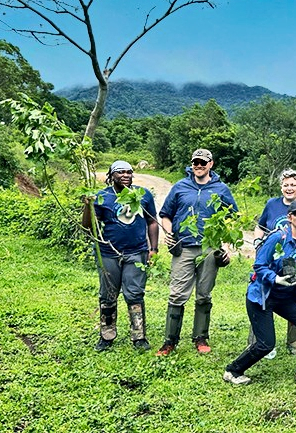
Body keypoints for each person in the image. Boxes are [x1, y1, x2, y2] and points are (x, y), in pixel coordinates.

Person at [224, 199, 296, 386]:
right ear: (289, 217)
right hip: (263, 295)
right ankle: (233, 370)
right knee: (266, 344)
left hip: (286, 297)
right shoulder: (277, 238)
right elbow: (259, 265)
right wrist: (275, 278)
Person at [156, 148, 238, 357]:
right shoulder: (180, 187)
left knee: (204, 294)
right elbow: (165, 214)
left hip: (209, 248)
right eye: (195, 163)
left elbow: (230, 218)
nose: (199, 166)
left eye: (203, 162)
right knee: (177, 294)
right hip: (183, 247)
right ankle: (169, 341)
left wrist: (226, 247)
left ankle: (200, 337)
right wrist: (168, 231)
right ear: (191, 165)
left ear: (211, 164)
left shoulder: (220, 189)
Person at [80, 161, 159, 351]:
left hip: (137, 252)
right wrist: (87, 206)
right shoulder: (101, 197)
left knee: (134, 294)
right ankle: (106, 336)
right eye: (120, 172)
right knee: (107, 295)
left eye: (129, 172)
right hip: (108, 253)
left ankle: (139, 337)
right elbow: (88, 226)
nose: (125, 175)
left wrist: (153, 249)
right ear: (111, 175)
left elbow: (152, 222)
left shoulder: (142, 195)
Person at [254, 169, 296, 358]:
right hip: (273, 260)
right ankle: (262, 342)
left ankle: (294, 341)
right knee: (263, 296)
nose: (289, 188)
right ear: (281, 187)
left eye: (293, 184)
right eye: (286, 185)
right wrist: (258, 245)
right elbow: (260, 227)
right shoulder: (272, 204)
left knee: (294, 294)